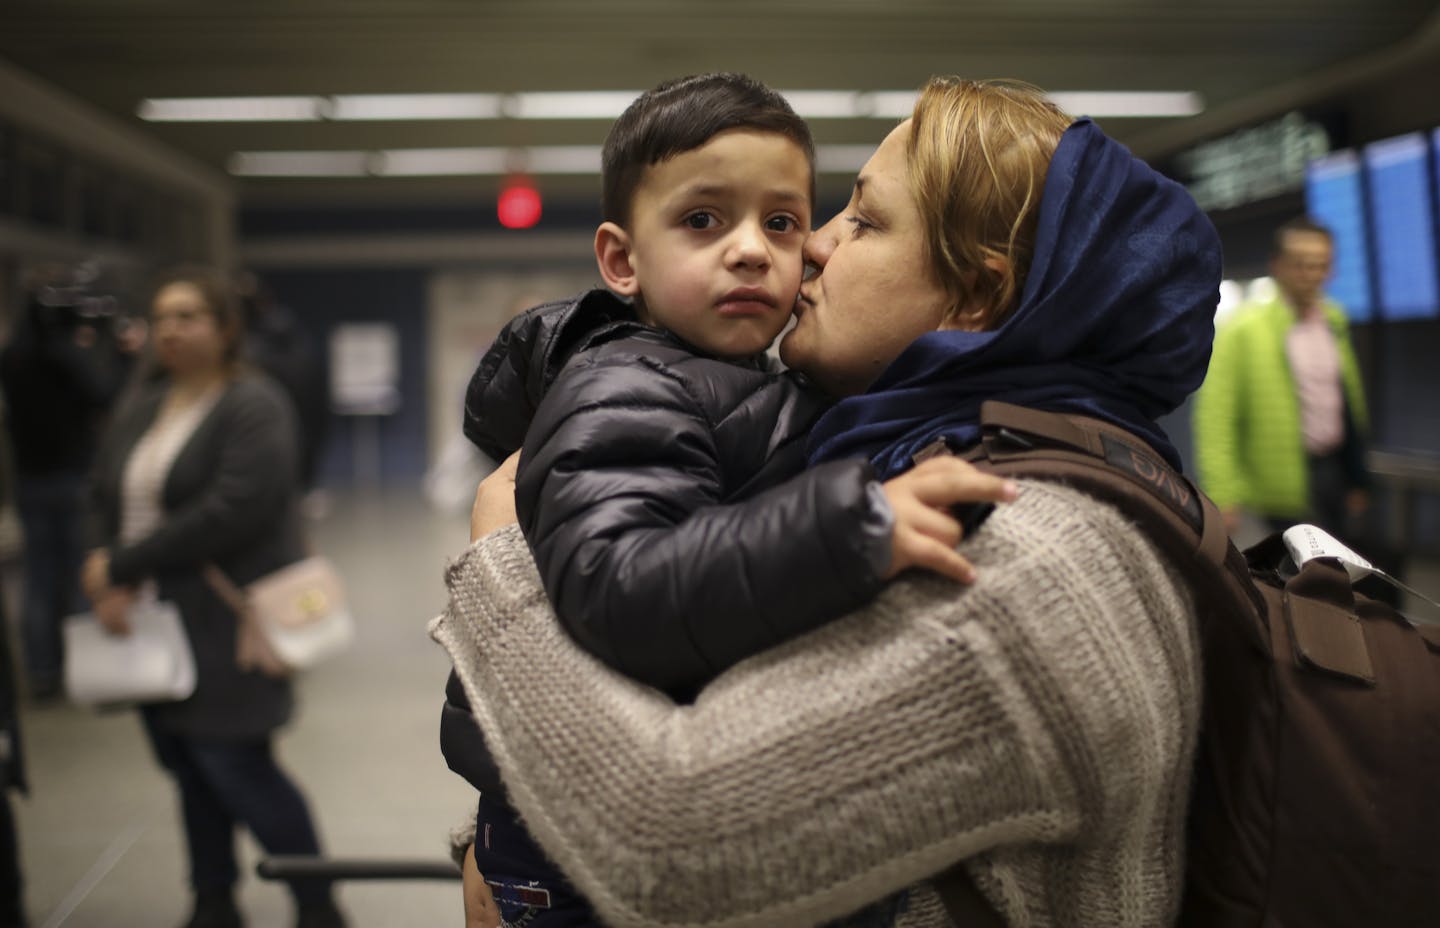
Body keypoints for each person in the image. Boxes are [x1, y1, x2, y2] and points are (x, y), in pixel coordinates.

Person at [435, 76, 1221, 927]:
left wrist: (503, 563)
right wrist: (513, 839)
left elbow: (670, 846)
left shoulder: (1019, 555)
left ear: (976, 297)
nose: (810, 247)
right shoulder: (933, 457)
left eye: (864, 221)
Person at [80, 268, 346, 928]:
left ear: (227, 329)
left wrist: (122, 562)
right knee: (188, 767)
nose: (170, 329)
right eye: (163, 317)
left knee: (236, 763)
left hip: (225, 618)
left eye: (188, 316)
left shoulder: (254, 403)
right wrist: (104, 572)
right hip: (152, 616)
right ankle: (212, 899)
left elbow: (235, 509)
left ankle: (318, 904)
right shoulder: (145, 404)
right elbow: (103, 492)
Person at [0, 271, 138, 701]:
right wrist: (122, 356)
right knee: (80, 575)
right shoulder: (65, 358)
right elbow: (104, 395)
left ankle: (42, 669)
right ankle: (83, 663)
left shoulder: (12, 358)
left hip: (29, 480)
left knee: (38, 577)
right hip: (71, 479)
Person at [1192, 217, 1371, 539]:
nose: (1312, 274)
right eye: (1302, 264)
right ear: (1278, 265)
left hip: (1332, 472)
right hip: (1275, 486)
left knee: (1338, 575)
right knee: (1290, 580)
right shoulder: (1243, 329)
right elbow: (1216, 417)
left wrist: (1356, 476)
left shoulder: (1335, 320)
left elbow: (1347, 403)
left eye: (1321, 264)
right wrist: (1223, 493)